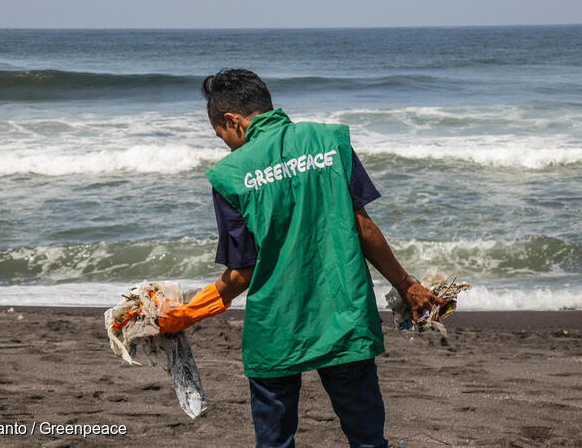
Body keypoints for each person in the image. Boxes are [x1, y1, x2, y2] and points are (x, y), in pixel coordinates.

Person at [157, 68, 442, 448]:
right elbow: (364, 229)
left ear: (233, 121)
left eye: (221, 136)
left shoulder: (229, 174)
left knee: (274, 441)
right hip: (344, 316)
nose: (225, 146)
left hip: (276, 327)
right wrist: (407, 285)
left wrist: (188, 313)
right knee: (368, 438)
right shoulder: (330, 141)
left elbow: (242, 273)